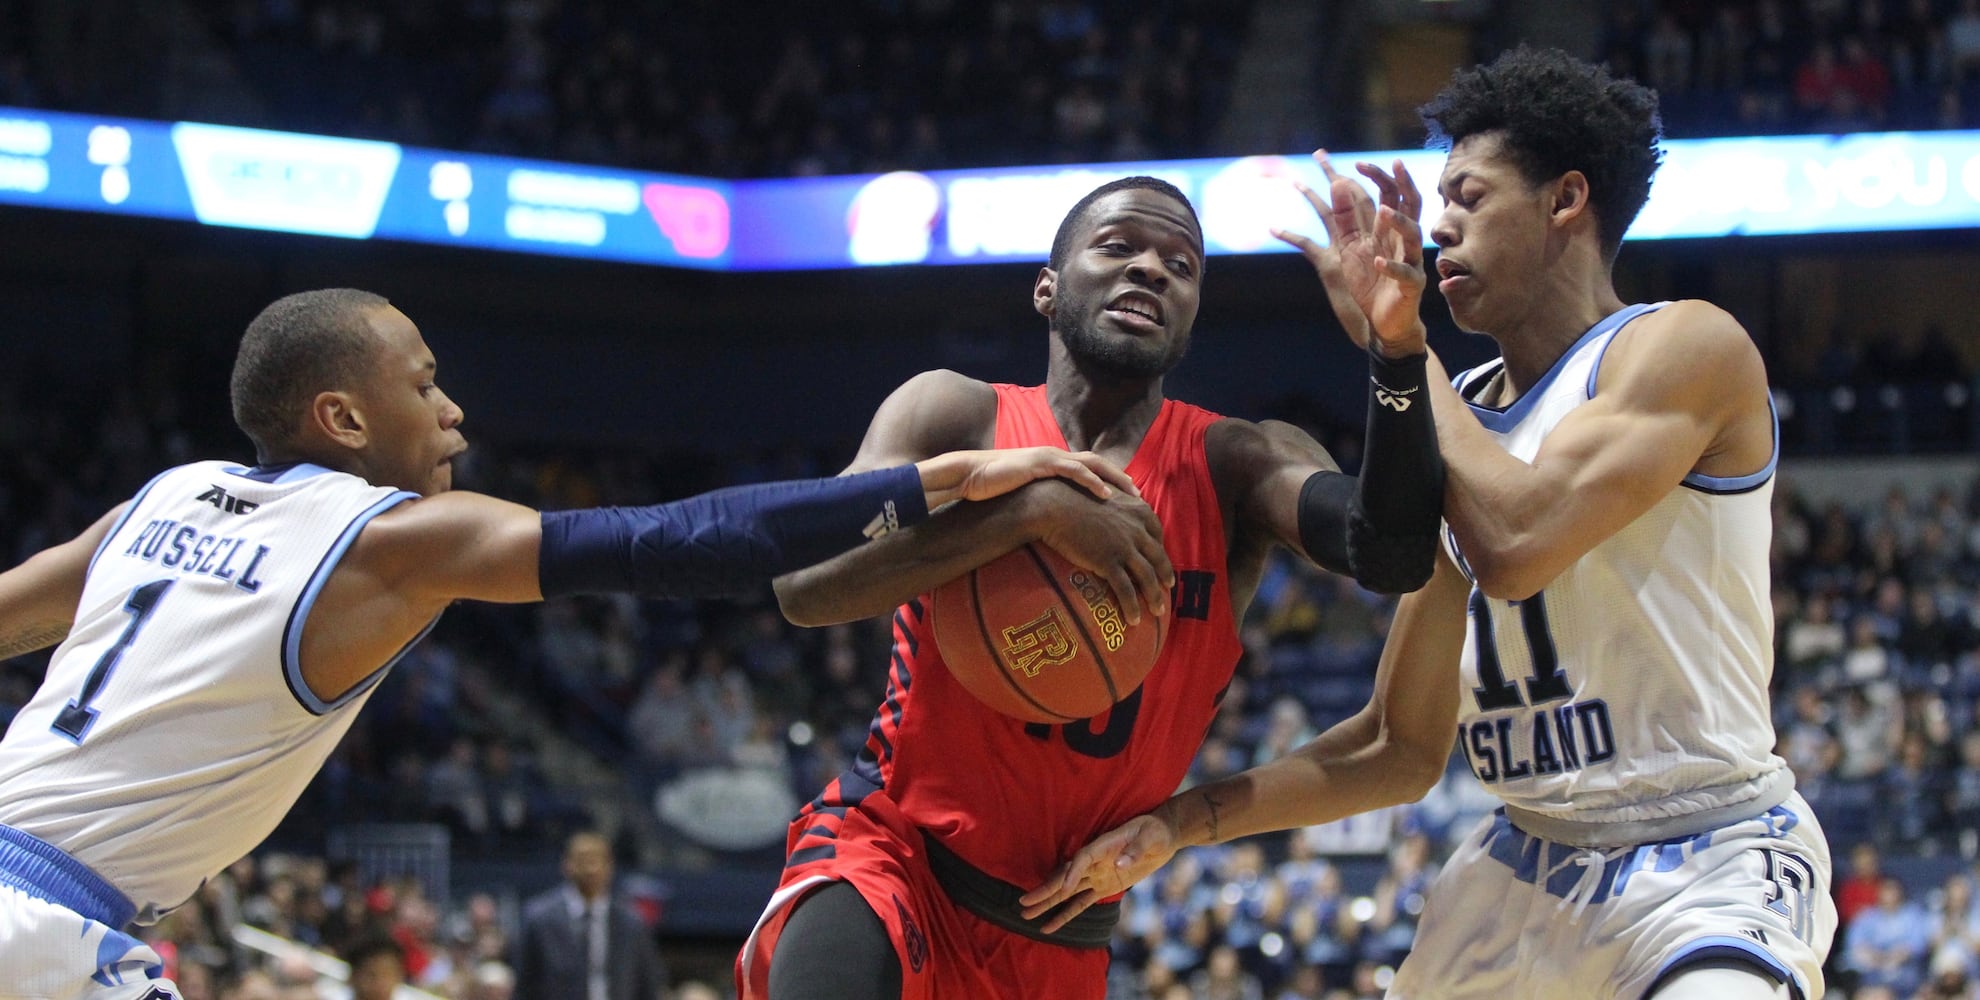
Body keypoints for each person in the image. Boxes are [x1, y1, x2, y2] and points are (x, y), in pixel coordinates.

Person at [0, 286, 1147, 1000]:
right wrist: (948, 477)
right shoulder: (388, 540)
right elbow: (680, 539)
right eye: (425, 382)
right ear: (343, 419)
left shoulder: (165, 497)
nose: (453, 411)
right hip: (49, 931)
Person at [1021, 47, 1836, 1000]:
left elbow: (1518, 545)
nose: (1437, 225)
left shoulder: (1683, 345)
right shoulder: (1462, 407)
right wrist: (1177, 823)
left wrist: (1398, 353)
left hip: (1703, 859)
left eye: (1469, 196)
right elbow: (1396, 746)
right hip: (1519, 867)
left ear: (1565, 200)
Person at [734, 173, 1445, 1000]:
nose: (1151, 269)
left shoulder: (1235, 464)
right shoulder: (954, 418)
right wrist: (1024, 515)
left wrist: (1397, 351)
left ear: (1190, 322)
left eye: (1180, 265)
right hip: (889, 855)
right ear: (1047, 288)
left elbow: (1390, 552)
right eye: (1117, 248)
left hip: (1062, 929)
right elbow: (802, 584)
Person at [512, 831, 665, 1000]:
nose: (590, 868)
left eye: (597, 860)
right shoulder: (539, 918)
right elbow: (524, 987)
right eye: (582, 859)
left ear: (610, 867)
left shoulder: (632, 923)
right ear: (566, 864)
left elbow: (647, 986)